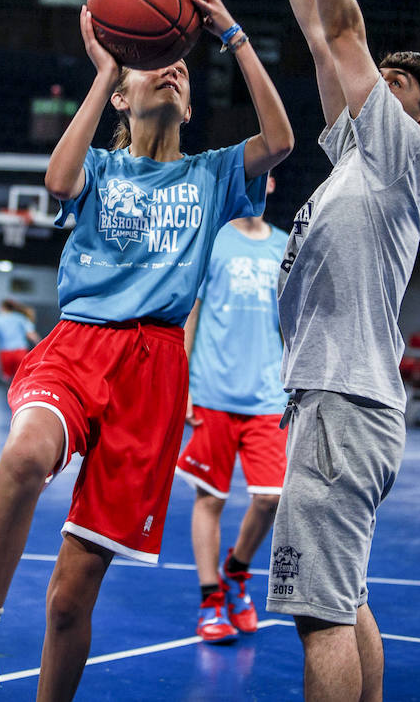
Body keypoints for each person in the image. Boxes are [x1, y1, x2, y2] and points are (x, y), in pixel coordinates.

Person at [0, 0, 293, 702]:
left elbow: (282, 139)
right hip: (80, 341)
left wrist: (230, 33)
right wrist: (103, 72)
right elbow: (57, 185)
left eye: (183, 71)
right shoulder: (97, 164)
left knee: (70, 600)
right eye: (157, 66)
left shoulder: (216, 175)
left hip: (155, 372)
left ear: (191, 106)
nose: (174, 73)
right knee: (27, 452)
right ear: (124, 96)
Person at [260, 0, 420, 702]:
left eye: (393, 85)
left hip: (343, 405)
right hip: (344, 402)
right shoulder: (356, 156)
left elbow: (344, 29)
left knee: (321, 615)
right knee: (346, 597)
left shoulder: (399, 159)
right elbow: (320, 35)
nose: (373, 84)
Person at [176, 173, 289, 643]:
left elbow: (295, 322)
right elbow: (190, 315)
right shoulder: (214, 240)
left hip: (268, 395)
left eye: (262, 178)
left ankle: (237, 571)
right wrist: (181, 385)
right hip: (213, 392)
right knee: (212, 499)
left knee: (270, 498)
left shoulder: (285, 245)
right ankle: (210, 600)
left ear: (272, 185)